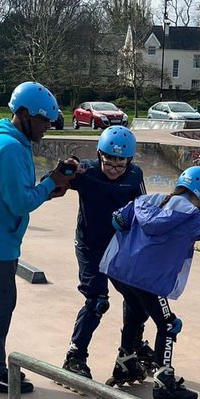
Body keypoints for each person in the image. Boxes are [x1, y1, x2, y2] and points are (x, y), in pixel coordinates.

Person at [0, 80, 78, 393]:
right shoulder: (9, 147)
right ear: (22, 114)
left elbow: (18, 190)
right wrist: (50, 185)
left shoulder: (8, 140)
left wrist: (50, 183)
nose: (48, 126)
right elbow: (21, 202)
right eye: (43, 120)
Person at [100, 166, 200, 399]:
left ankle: (126, 361)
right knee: (169, 324)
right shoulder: (192, 216)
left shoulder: (146, 200)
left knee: (136, 311)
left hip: (120, 272)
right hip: (148, 280)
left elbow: (117, 220)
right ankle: (164, 382)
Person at [60, 125, 149, 381]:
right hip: (90, 247)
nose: (113, 170)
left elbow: (142, 211)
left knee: (138, 300)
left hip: (120, 247)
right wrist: (67, 167)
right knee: (98, 300)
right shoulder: (86, 172)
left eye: (120, 165)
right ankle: (75, 356)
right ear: (100, 154)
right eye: (108, 163)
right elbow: (54, 180)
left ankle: (128, 355)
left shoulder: (134, 175)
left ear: (129, 161)